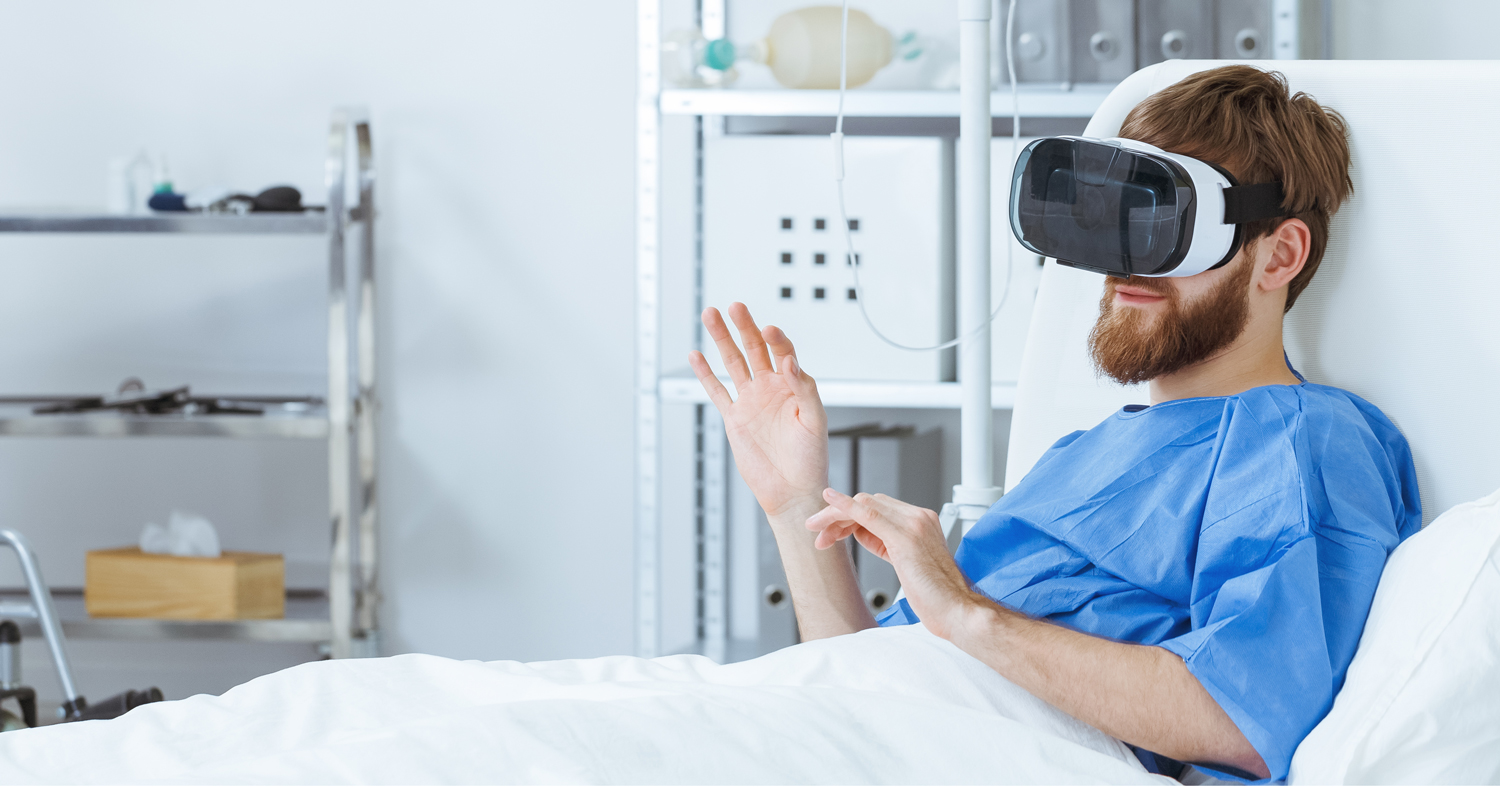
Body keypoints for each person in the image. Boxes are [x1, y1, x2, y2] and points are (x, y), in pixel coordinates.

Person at [687, 65, 1419, 783]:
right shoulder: (1082, 454)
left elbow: (1246, 720)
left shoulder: (1299, 440)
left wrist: (967, 612)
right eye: (1117, 218)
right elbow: (867, 677)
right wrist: (794, 504)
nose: (1126, 264)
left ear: (1278, 255)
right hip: (857, 732)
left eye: (1169, 223)